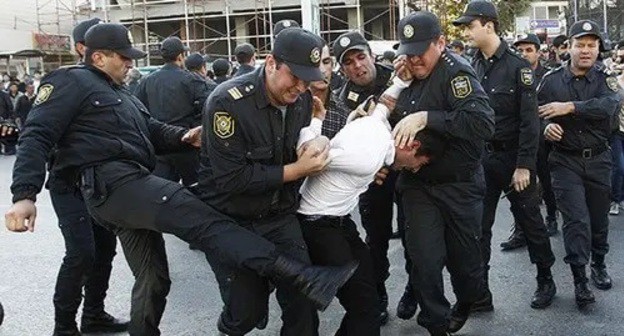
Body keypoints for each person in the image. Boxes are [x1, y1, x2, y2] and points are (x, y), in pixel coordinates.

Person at [5, 23, 357, 336]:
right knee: (199, 215)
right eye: (123, 57)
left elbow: (149, 131)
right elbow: (36, 133)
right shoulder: (69, 80)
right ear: (97, 56)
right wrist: (25, 193)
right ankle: (298, 274)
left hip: (132, 189)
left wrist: (184, 136)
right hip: (114, 184)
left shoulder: (121, 93)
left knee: (153, 278)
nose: (130, 63)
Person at [196, 27, 344, 336]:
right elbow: (231, 179)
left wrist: (314, 145)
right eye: (295, 77)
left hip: (280, 216)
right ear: (271, 63)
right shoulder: (227, 102)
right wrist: (299, 169)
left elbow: (301, 143)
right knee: (245, 314)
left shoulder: (302, 100)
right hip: (233, 220)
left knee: (303, 302)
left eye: (308, 79)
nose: (301, 88)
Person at [297, 73, 446, 336]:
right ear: (413, 146)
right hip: (317, 225)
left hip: (339, 221)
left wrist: (400, 81)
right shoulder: (368, 156)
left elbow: (384, 104)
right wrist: (316, 122)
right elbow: (309, 156)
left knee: (368, 290)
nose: (414, 170)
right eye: (420, 163)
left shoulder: (378, 127)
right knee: (364, 307)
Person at [390, 10, 495, 336]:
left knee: (466, 264)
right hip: (418, 185)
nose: (414, 59)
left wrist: (427, 118)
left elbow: (482, 123)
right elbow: (390, 123)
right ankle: (435, 322)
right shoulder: (405, 75)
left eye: (421, 51)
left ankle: (465, 301)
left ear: (441, 43)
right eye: (408, 51)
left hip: (459, 185)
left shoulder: (457, 74)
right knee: (424, 260)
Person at [454, 0, 557, 314]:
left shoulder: (517, 66)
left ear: (488, 24)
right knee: (478, 228)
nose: (467, 32)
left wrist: (525, 164)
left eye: (470, 26)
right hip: (481, 160)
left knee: (531, 223)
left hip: (513, 159)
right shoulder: (471, 64)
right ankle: (480, 294)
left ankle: (545, 278)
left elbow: (529, 120)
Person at [538, 19, 621, 309]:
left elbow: (610, 106)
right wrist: (545, 128)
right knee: (576, 222)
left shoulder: (605, 79)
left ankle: (598, 262)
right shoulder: (550, 81)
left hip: (599, 159)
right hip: (564, 162)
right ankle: (579, 280)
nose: (586, 51)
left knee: (598, 222)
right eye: (580, 45)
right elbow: (535, 116)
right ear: (568, 48)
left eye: (592, 45)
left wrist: (570, 107)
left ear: (599, 48)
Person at [332, 30, 413, 324]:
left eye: (360, 56)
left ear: (372, 55)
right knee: (375, 240)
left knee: (412, 235)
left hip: (407, 171)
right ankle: (379, 293)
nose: (357, 65)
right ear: (342, 69)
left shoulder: (399, 76)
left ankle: (413, 290)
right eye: (349, 62)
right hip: (374, 177)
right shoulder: (344, 98)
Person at [500, 33, 559, 251]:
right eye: (520, 50)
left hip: (543, 139)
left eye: (529, 50)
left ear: (538, 52)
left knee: (546, 180)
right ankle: (520, 232)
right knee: (518, 191)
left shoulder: (549, 76)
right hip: (518, 140)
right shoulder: (511, 73)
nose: (524, 54)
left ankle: (552, 214)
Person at [135, 38, 211, 187]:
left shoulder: (146, 81)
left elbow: (138, 110)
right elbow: (207, 107)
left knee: (161, 192)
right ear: (180, 56)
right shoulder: (191, 79)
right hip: (187, 143)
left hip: (159, 147)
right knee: (195, 191)